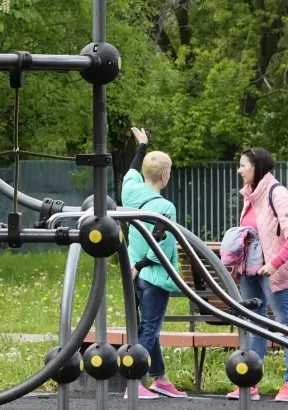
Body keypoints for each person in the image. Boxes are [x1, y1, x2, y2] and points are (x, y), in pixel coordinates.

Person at [227, 147, 288, 403]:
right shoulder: (250, 195)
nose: (239, 170)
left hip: (270, 272)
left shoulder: (276, 192)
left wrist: (274, 264)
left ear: (257, 167)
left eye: (243, 165)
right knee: (254, 324)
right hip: (250, 272)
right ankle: (250, 384)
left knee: (286, 324)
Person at [121, 127, 186, 399]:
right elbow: (162, 246)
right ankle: (134, 383)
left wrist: (142, 146)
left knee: (148, 327)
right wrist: (145, 264)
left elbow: (132, 170)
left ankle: (159, 378)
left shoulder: (130, 190)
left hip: (135, 274)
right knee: (149, 329)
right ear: (165, 175)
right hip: (155, 276)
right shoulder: (165, 207)